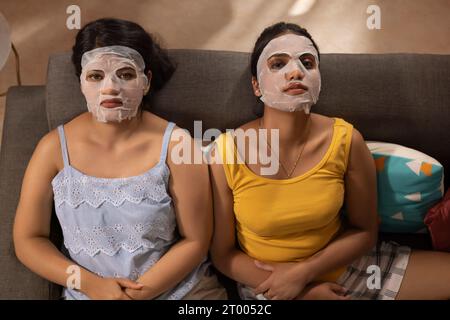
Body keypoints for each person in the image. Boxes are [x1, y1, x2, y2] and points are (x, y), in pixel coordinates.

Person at [209, 22, 450, 300]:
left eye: (307, 63)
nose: (296, 71)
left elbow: (364, 232)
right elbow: (223, 254)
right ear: (256, 85)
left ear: (318, 79)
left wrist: (305, 273)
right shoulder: (226, 151)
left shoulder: (347, 140)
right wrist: (303, 291)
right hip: (269, 286)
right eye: (277, 64)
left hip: (351, 268)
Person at [13, 18, 226, 300]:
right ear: (81, 82)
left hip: (182, 293)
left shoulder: (177, 145)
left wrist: (136, 295)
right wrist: (90, 284)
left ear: (146, 81)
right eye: (95, 76)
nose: (110, 87)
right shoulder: (52, 148)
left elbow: (196, 240)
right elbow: (28, 239)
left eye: (125, 74)